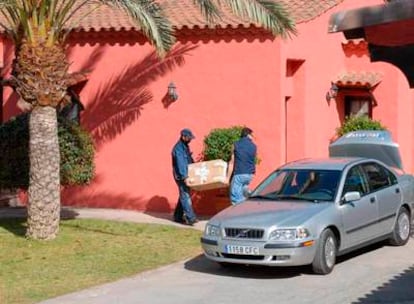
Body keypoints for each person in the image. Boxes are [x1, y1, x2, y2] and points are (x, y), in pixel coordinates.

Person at [172, 128, 198, 225]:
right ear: (183, 137)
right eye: (189, 138)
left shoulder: (185, 146)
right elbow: (181, 164)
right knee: (185, 195)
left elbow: (189, 160)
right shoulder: (178, 149)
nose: (190, 139)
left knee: (184, 194)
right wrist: (185, 177)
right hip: (181, 176)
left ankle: (177, 216)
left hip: (186, 174)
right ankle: (190, 218)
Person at [228, 127, 257, 205]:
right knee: (243, 192)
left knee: (235, 197)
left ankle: (238, 214)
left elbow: (231, 162)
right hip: (249, 175)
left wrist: (227, 178)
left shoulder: (235, 144)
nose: (252, 137)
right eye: (252, 135)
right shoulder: (254, 146)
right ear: (248, 135)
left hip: (239, 173)